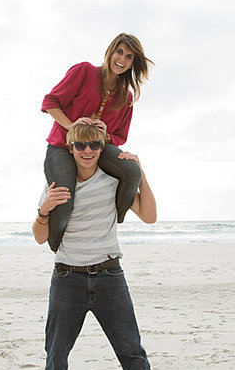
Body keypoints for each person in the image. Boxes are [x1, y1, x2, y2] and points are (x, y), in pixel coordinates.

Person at [31, 123, 181, 370]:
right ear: (70, 148)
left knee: (133, 353)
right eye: (81, 146)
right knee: (56, 355)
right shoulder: (57, 185)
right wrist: (43, 210)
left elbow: (150, 216)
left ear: (102, 147)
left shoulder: (115, 181)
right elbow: (41, 237)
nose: (88, 151)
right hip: (66, 278)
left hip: (110, 276)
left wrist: (140, 171)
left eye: (95, 145)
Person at [41, 33, 152, 253]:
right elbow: (50, 103)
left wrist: (106, 134)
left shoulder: (126, 97)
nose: (122, 59)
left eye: (129, 57)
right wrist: (72, 126)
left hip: (97, 149)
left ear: (133, 63)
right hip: (62, 147)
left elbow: (120, 136)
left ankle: (115, 218)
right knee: (65, 201)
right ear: (111, 51)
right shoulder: (84, 71)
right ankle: (56, 246)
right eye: (119, 52)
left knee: (131, 170)